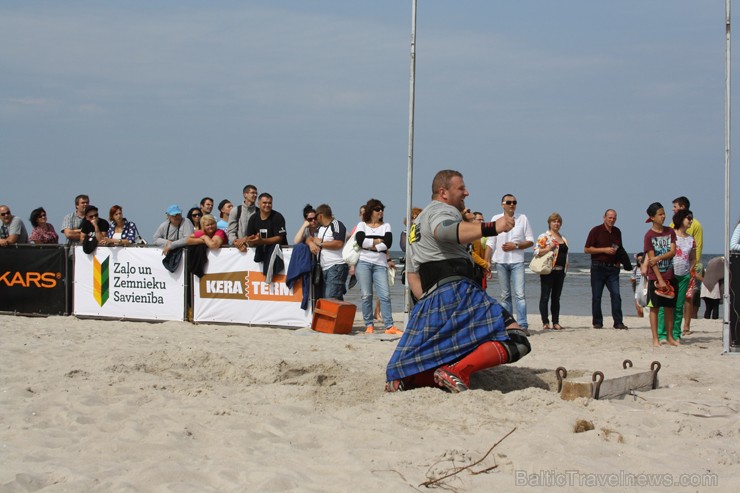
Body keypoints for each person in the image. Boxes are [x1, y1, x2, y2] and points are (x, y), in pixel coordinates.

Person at [385, 170, 530, 393]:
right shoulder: (442, 211)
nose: (467, 192)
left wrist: (426, 305)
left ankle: (410, 379)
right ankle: (458, 371)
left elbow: (413, 275)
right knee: (517, 338)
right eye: (461, 188)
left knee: (442, 349)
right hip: (459, 290)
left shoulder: (416, 224)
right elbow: (445, 231)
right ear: (443, 192)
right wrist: (494, 227)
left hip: (431, 298)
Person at [485, 194, 534, 332]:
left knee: (520, 295)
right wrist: (486, 262)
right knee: (505, 295)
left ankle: (523, 325)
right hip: (500, 261)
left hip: (517, 261)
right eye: (509, 202)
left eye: (514, 202)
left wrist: (516, 245)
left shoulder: (522, 218)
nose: (512, 204)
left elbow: (530, 240)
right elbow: (490, 242)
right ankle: (509, 325)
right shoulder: (495, 219)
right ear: (502, 204)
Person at [354, 199, 400, 334]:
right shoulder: (362, 225)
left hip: (380, 263)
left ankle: (389, 326)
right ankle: (369, 325)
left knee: (385, 295)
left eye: (382, 209)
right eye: (377, 209)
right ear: (371, 211)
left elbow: (388, 243)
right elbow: (361, 241)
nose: (381, 211)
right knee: (366, 295)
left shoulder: (386, 226)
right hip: (363, 262)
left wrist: (372, 245)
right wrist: (378, 241)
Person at [642, 202, 679, 347]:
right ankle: (655, 338)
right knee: (654, 308)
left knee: (670, 308)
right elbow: (651, 260)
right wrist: (659, 279)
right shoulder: (649, 236)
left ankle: (670, 337)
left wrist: (659, 257)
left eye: (664, 213)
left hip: (670, 275)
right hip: (655, 277)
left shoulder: (670, 231)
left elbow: (673, 251)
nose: (663, 216)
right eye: (660, 214)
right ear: (652, 217)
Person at [584, 209, 628, 330]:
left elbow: (620, 249)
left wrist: (621, 262)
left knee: (616, 295)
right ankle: (597, 322)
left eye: (614, 218)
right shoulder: (596, 231)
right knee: (597, 296)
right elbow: (587, 249)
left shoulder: (617, 231)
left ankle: (618, 322)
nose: (612, 220)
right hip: (598, 267)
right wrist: (604, 250)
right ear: (604, 217)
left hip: (613, 269)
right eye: (610, 217)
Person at [658, 209, 696, 342]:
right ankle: (662, 334)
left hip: (683, 276)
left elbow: (693, 258)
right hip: (669, 275)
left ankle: (675, 334)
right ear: (681, 219)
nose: (690, 221)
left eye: (691, 218)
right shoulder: (670, 234)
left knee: (679, 307)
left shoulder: (691, 239)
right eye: (688, 218)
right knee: (665, 305)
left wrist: (690, 271)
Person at [672, 196, 703, 328]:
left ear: (682, 207)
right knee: (674, 298)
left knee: (688, 297)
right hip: (674, 268)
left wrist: (694, 266)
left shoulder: (695, 224)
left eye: (675, 206)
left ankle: (687, 325)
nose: (673, 209)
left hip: (690, 266)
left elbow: (698, 246)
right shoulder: (672, 226)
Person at [534, 212, 569, 330]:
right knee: (545, 297)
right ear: (549, 223)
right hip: (548, 270)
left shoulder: (563, 238)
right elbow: (536, 251)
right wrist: (549, 248)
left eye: (558, 221)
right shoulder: (545, 236)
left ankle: (556, 322)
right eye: (554, 221)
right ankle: (545, 322)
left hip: (560, 271)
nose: (556, 223)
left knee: (556, 298)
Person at [306, 204, 348, 300]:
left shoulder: (337, 224)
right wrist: (310, 243)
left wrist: (321, 243)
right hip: (324, 268)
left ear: (320, 215)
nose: (315, 220)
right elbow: (310, 238)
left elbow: (339, 243)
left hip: (336, 266)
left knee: (331, 299)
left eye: (316, 217)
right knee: (330, 298)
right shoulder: (320, 228)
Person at [228, 184, 258, 251]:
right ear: (245, 194)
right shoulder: (236, 210)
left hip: (256, 249)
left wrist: (245, 240)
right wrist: (237, 243)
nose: (255, 195)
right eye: (253, 193)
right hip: (238, 250)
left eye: (256, 193)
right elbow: (231, 231)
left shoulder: (259, 212)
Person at [630, 252, 646, 318]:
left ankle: (644, 316)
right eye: (638, 260)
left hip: (645, 289)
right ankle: (640, 317)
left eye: (641, 260)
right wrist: (632, 280)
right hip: (637, 289)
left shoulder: (647, 268)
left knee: (645, 305)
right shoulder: (636, 269)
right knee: (638, 306)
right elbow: (632, 278)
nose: (640, 261)